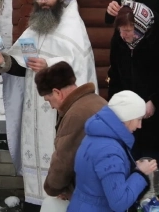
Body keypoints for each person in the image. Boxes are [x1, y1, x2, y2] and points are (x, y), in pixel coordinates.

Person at [0, 0, 98, 211]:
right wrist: (3, 62)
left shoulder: (72, 29)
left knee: (58, 164)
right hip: (34, 117)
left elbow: (80, 72)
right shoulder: (35, 27)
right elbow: (20, 65)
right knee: (35, 179)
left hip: (58, 114)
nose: (43, 1)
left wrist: (49, 65)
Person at [108, 0, 159, 190]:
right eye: (120, 29)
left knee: (151, 169)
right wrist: (115, 107)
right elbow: (115, 77)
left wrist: (155, 102)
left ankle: (151, 203)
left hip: (157, 122)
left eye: (128, 30)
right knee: (129, 164)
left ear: (142, 27)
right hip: (129, 120)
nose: (123, 35)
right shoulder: (119, 42)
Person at [68, 91, 157, 212]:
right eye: (139, 119)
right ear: (127, 118)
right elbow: (119, 202)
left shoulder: (94, 136)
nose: (140, 126)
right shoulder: (109, 151)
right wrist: (140, 173)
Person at [34, 62, 107, 200]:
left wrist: (54, 188)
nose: (51, 107)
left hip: (92, 193)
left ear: (57, 92)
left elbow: (65, 159)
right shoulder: (98, 101)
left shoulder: (75, 115)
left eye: (49, 100)